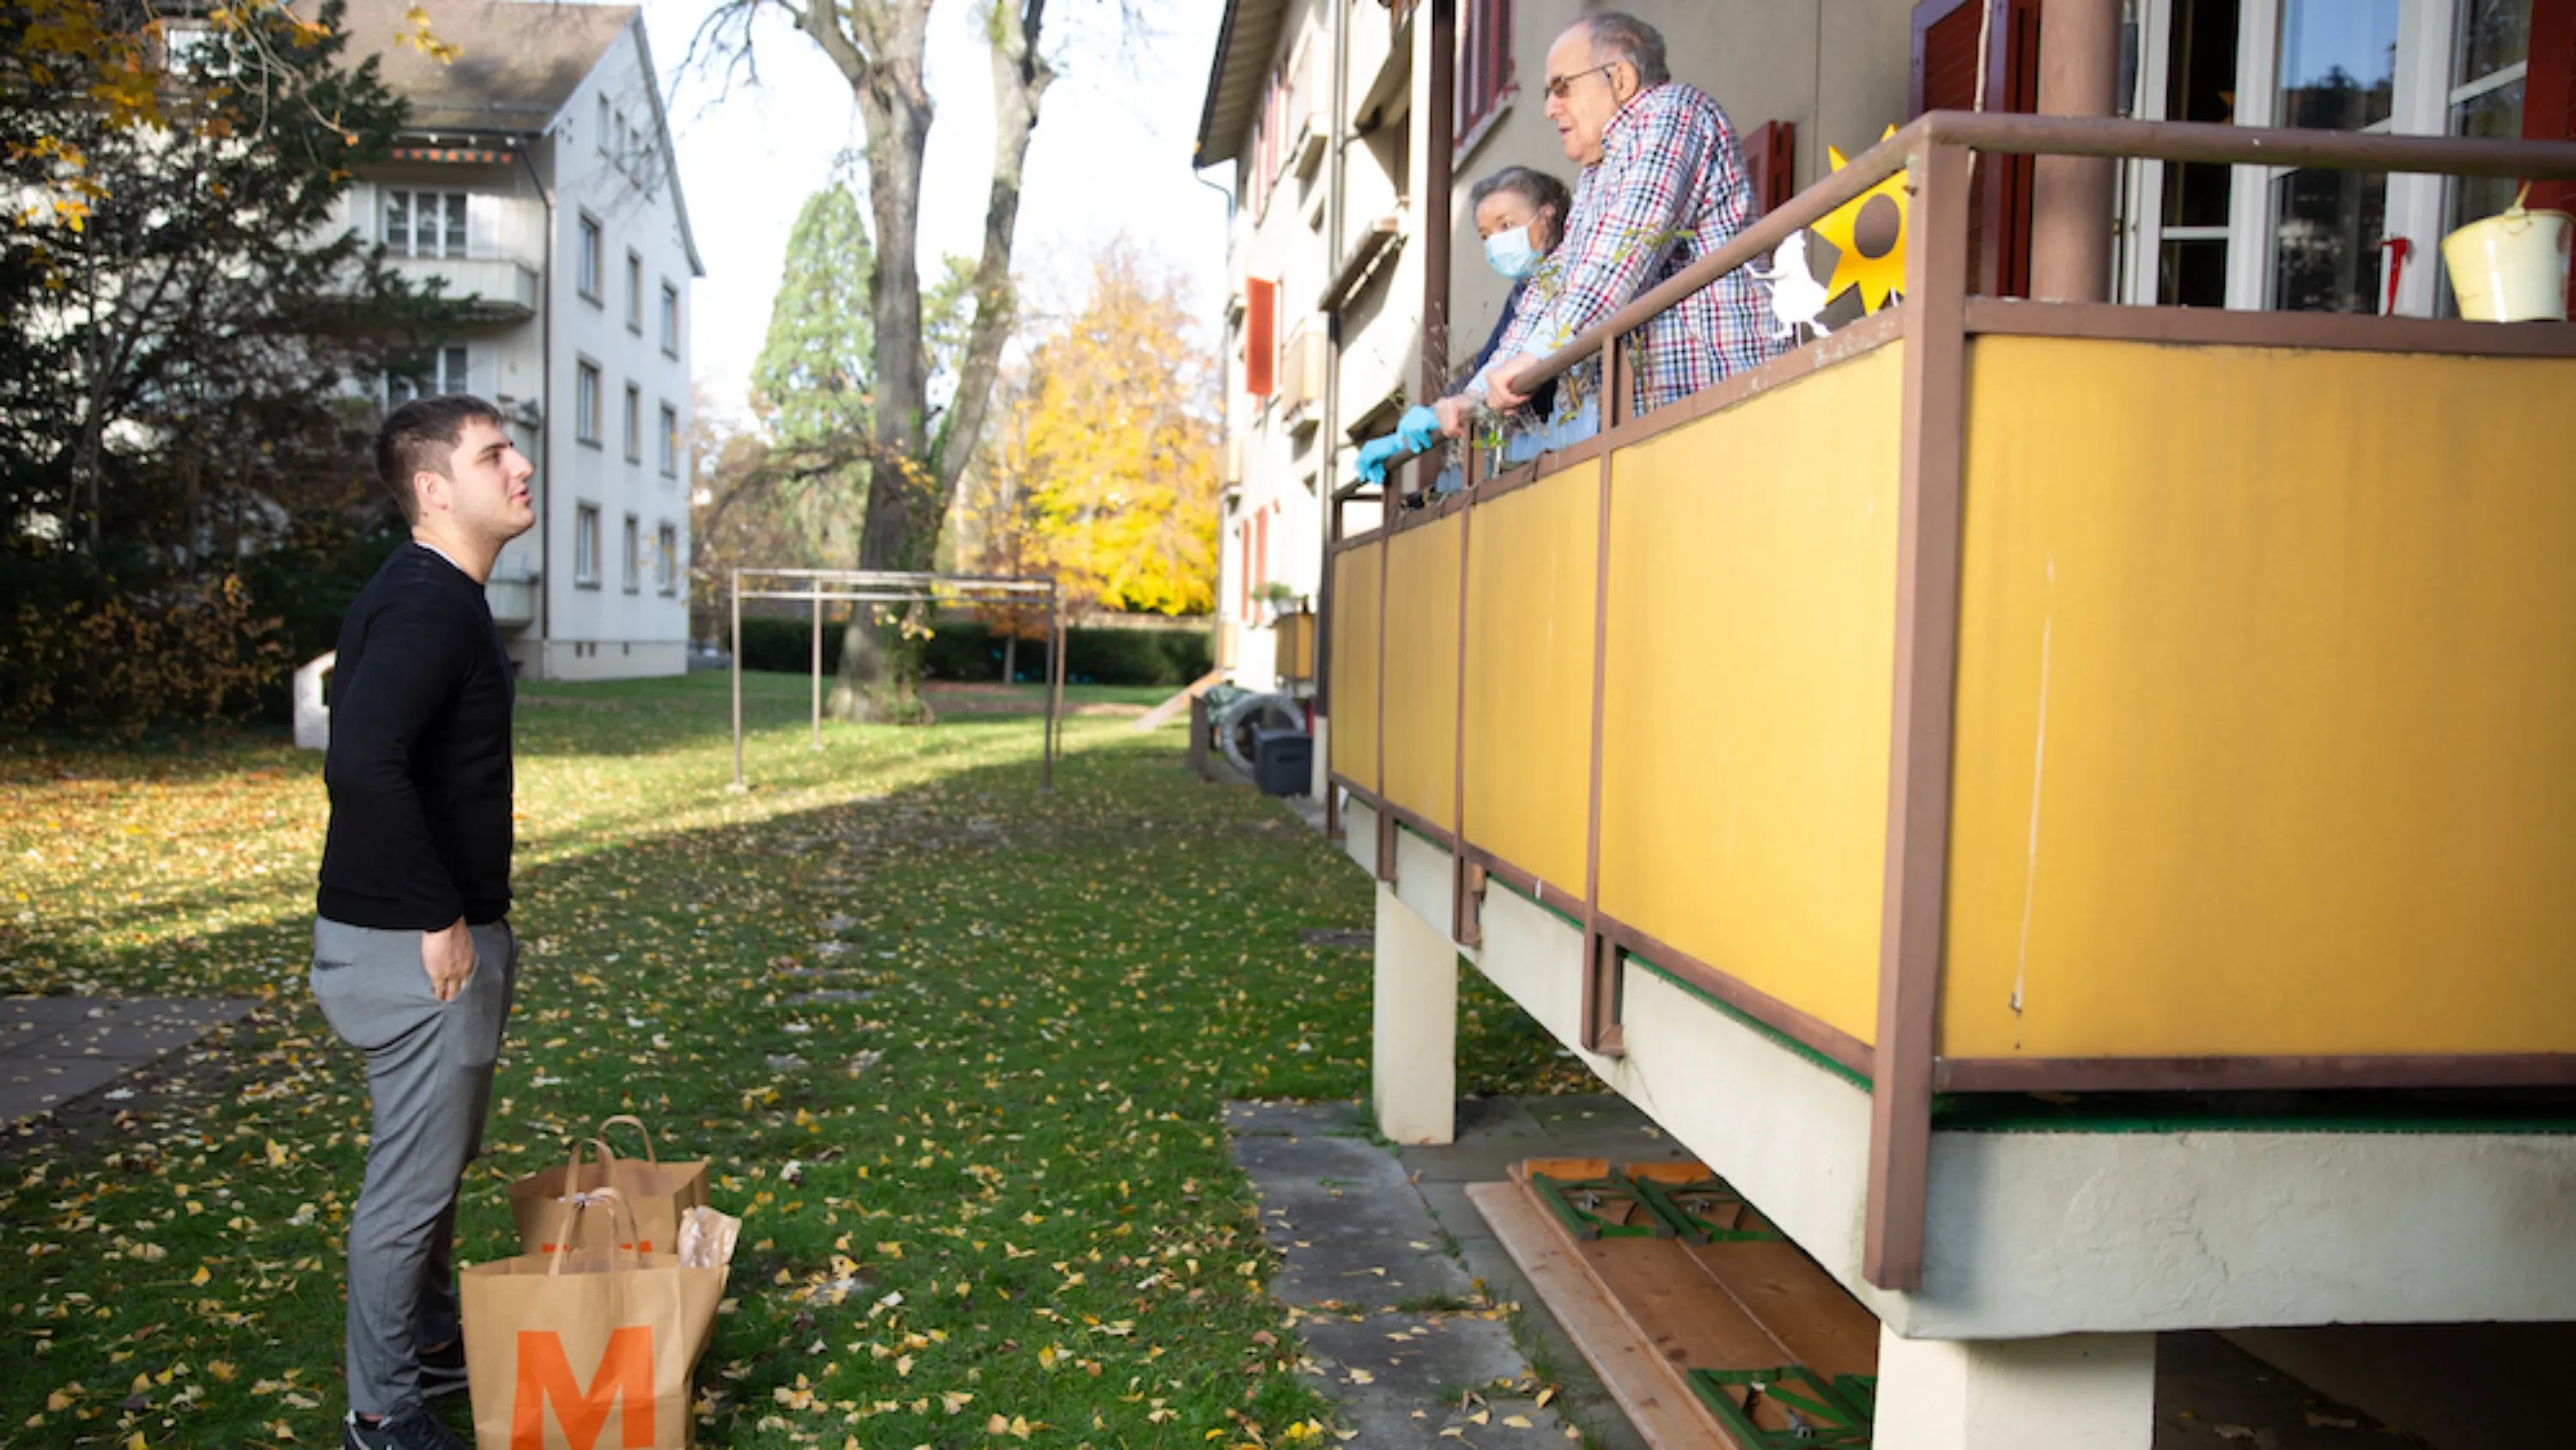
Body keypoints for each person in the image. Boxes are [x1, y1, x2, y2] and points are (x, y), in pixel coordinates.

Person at [313, 395, 535, 1450]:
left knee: (436, 1164)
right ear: (434, 489)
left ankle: (432, 1346)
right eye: (495, 454)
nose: (521, 465)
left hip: (433, 937)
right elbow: (361, 763)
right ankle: (379, 1410)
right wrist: (442, 917)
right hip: (415, 947)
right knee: (407, 1187)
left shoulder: (441, 596)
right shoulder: (427, 604)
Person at [1445, 12, 1778, 435]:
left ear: (1620, 79)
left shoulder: (1671, 113)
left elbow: (1618, 258)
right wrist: (1477, 391)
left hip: (1712, 404)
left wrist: (1535, 356)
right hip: (1657, 421)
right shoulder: (1598, 172)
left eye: (1562, 87)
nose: (1550, 109)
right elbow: (1556, 285)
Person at [1354, 165, 1572, 485]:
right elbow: (1490, 362)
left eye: (1507, 225)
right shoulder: (1522, 295)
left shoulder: (1574, 275)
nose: (1497, 243)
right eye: (1486, 236)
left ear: (1548, 215)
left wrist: (1448, 407)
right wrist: (1435, 412)